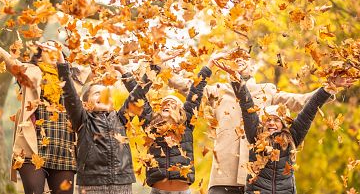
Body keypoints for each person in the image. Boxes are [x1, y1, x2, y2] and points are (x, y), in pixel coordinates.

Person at [167, 48, 320, 194]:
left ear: (252, 66)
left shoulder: (267, 90)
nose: (239, 58)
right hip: (223, 176)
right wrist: (159, 66)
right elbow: (190, 88)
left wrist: (330, 88)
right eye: (233, 57)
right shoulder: (218, 90)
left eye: (244, 57)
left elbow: (300, 101)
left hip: (257, 178)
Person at [0, 27, 89, 194]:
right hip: (31, 147)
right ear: (38, 53)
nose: (50, 48)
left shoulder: (73, 78)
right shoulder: (27, 70)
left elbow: (94, 64)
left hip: (63, 147)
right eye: (46, 46)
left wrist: (62, 63)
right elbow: (1, 55)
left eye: (54, 46)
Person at [218, 59, 354, 193]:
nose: (271, 123)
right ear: (262, 123)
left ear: (283, 124)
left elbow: (310, 109)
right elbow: (247, 105)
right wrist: (237, 80)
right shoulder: (255, 136)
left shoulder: (292, 138)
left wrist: (330, 86)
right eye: (268, 120)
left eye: (276, 120)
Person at [122, 56, 217, 194]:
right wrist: (150, 68)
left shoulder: (187, 125)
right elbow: (137, 96)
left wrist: (209, 65)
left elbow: (196, 91)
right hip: (158, 191)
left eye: (173, 104)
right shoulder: (152, 126)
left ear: (181, 112)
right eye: (164, 104)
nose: (167, 105)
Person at [56, 50, 136, 194]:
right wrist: (62, 65)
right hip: (91, 184)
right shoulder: (82, 119)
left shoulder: (121, 118)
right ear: (85, 103)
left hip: (122, 183)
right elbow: (69, 95)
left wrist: (123, 72)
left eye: (106, 94)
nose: (103, 95)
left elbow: (138, 96)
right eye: (96, 93)